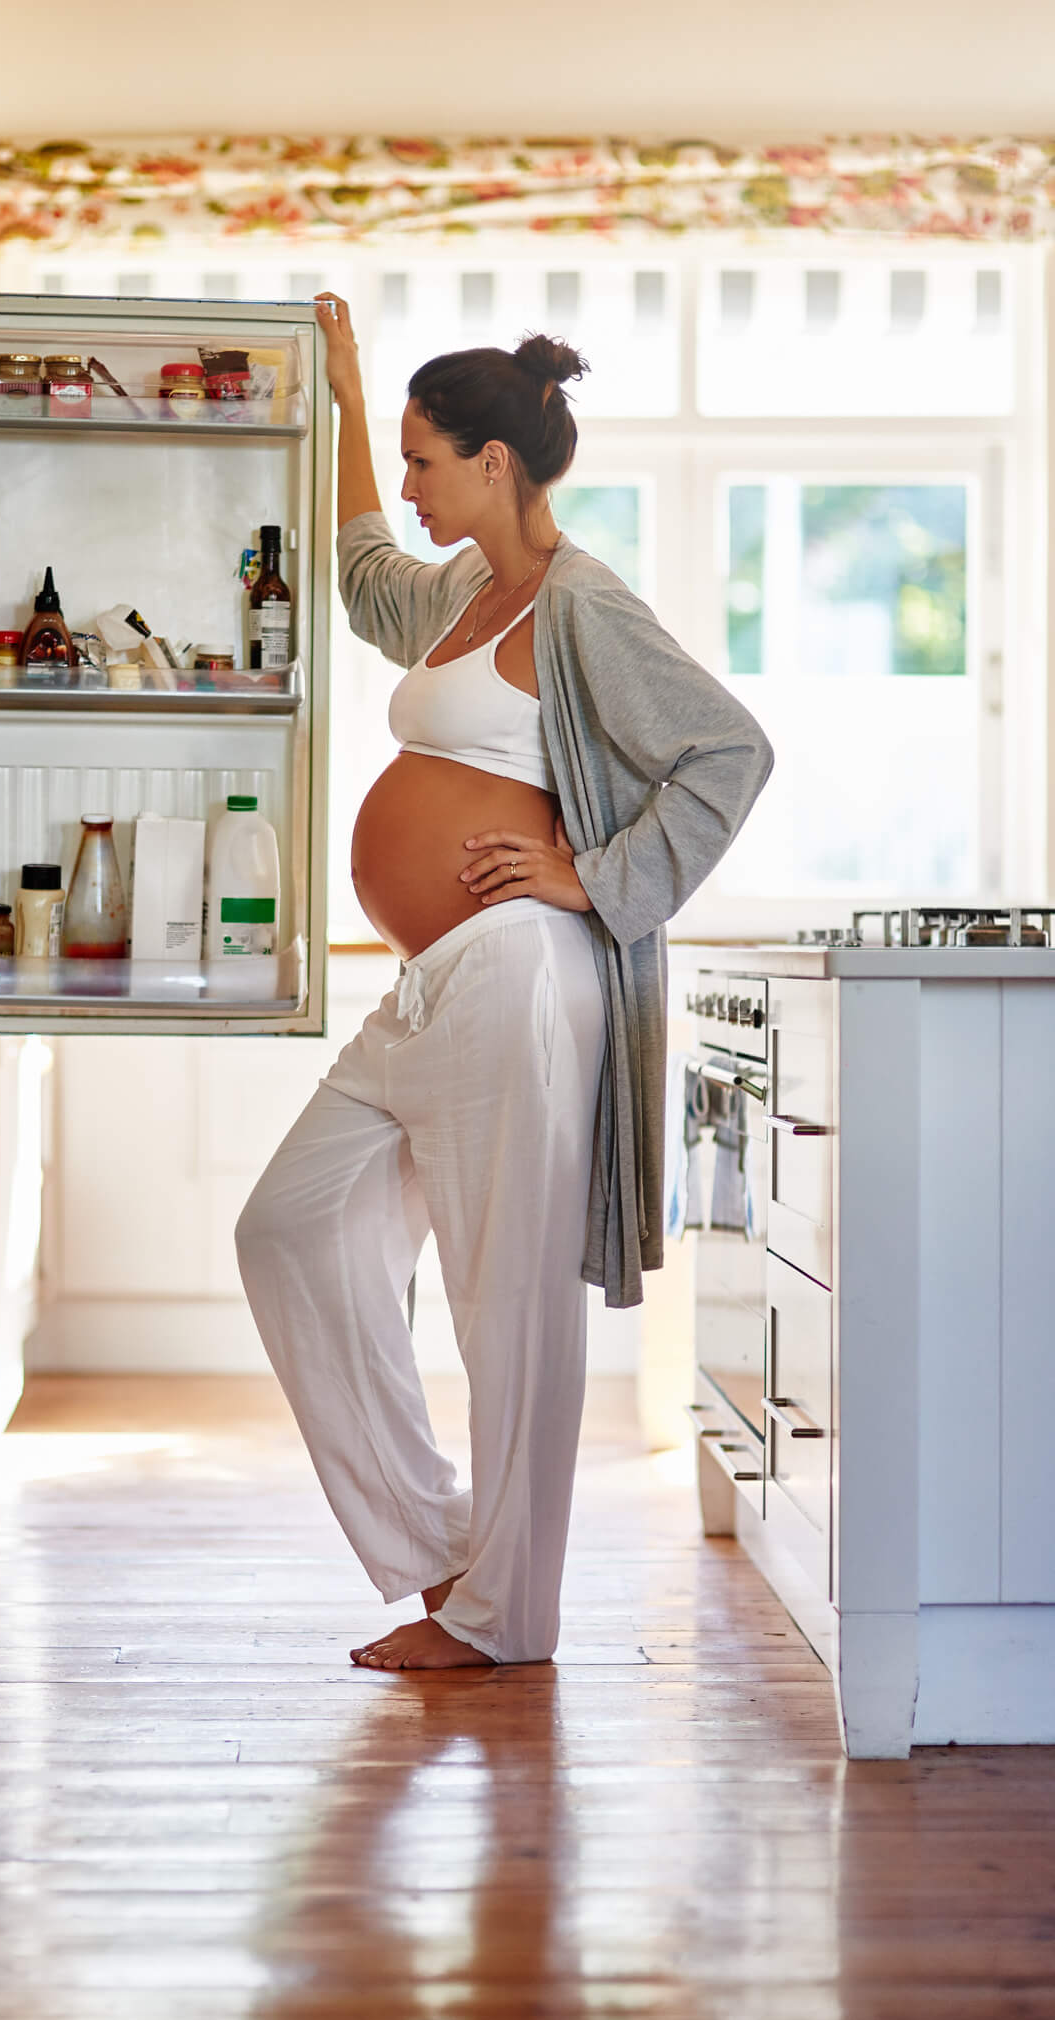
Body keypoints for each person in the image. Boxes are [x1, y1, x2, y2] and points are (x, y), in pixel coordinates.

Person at [235, 292, 773, 1671]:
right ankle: (440, 1549)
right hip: (441, 983)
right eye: (403, 458)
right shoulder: (470, 591)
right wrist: (351, 399)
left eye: (423, 458)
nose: (407, 487)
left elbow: (725, 753)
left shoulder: (584, 604)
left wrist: (586, 880)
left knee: (503, 1293)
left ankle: (502, 1621)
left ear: (493, 461)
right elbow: (358, 577)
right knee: (290, 1227)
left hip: (523, 976)